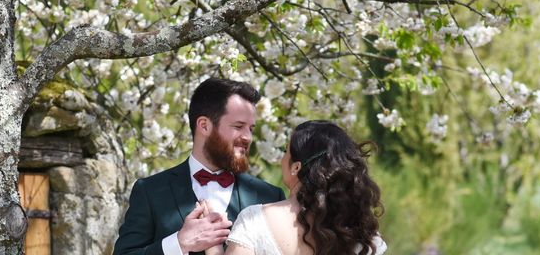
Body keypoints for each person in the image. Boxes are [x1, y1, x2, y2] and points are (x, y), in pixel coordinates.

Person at [113, 77, 286, 255]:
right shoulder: (150, 191)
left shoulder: (270, 197)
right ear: (204, 126)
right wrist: (179, 243)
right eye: (238, 126)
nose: (248, 137)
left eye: (251, 128)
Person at [202, 120, 386, 255]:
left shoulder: (255, 220)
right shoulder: (365, 235)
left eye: (285, 152)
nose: (281, 159)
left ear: (296, 167)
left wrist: (213, 246)